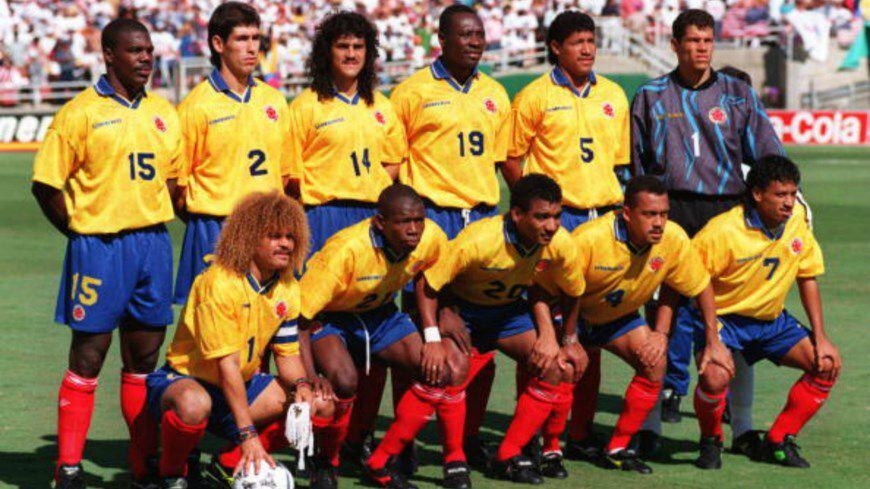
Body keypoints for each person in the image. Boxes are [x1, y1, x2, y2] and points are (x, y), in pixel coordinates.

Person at [31, 18, 182, 489]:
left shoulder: (164, 111)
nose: (145, 59)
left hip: (153, 244)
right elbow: (45, 185)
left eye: (149, 51)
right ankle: (69, 469)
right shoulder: (80, 112)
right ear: (109, 55)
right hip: (99, 247)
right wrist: (80, 234)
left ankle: (143, 468)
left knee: (145, 359)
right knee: (89, 356)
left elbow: (173, 182)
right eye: (135, 51)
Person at [630, 9, 784, 440]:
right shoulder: (650, 95)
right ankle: (653, 422)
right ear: (675, 45)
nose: (701, 48)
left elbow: (769, 157)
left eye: (707, 40)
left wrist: (783, 202)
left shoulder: (737, 93)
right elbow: (636, 166)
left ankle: (741, 422)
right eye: (692, 41)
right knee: (665, 309)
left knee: (730, 312)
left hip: (727, 212)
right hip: (670, 211)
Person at [389, 3, 511, 468]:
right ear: (443, 38)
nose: (475, 41)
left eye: (479, 34)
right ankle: (404, 442)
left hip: (480, 219)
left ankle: (468, 437)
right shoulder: (412, 91)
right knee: (422, 335)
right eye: (465, 34)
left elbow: (501, 163)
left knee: (479, 336)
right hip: (432, 220)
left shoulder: (497, 93)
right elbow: (395, 168)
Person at [147, 191, 332, 488]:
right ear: (248, 237)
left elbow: (287, 355)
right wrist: (249, 435)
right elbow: (226, 366)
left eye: (290, 236)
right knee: (194, 404)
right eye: (274, 236)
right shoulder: (218, 284)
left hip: (241, 385)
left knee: (319, 404)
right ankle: (171, 473)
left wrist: (301, 386)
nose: (285, 243)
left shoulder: (286, 285)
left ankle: (226, 463)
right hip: (186, 380)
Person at [547, 176, 728, 474]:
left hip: (617, 317)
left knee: (654, 361)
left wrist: (702, 338)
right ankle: (550, 449)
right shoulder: (589, 238)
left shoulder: (673, 238)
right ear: (626, 213)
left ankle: (618, 447)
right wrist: (568, 338)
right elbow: (556, 290)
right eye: (649, 214)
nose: (659, 222)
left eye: (664, 214)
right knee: (566, 368)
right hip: (572, 315)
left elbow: (696, 285)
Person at [419, 174, 588, 485]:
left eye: (556, 216)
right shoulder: (479, 239)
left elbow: (573, 291)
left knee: (555, 367)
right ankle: (454, 457)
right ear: (517, 214)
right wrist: (440, 321)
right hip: (466, 313)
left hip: (508, 314)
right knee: (451, 371)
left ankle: (508, 452)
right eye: (541, 217)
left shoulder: (561, 243)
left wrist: (568, 339)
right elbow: (428, 283)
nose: (551, 226)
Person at [298, 184, 468, 489]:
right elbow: (301, 318)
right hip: (331, 319)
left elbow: (438, 275)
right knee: (345, 380)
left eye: (419, 220)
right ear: (380, 223)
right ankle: (327, 461)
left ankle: (380, 461)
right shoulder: (346, 251)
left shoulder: (431, 236)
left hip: (382, 316)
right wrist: (308, 377)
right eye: (404, 222)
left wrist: (442, 317)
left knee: (439, 369)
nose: (414, 229)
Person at [677, 155, 840, 470]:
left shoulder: (797, 220)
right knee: (714, 377)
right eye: (781, 195)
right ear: (757, 194)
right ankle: (711, 440)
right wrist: (712, 337)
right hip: (724, 320)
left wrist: (822, 337)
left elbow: (808, 276)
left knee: (827, 364)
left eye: (793, 194)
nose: (789, 203)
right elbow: (698, 283)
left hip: (770, 322)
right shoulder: (721, 230)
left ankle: (778, 440)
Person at [173, 1, 296, 304]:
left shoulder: (275, 101)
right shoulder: (195, 106)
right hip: (215, 228)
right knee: (214, 335)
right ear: (218, 44)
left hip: (269, 229)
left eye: (256, 39)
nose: (252, 48)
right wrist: (210, 220)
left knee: (267, 330)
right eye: (242, 39)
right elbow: (177, 186)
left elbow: (286, 176)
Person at [288, 11, 406, 255]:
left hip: (372, 214)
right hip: (323, 216)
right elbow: (291, 176)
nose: (351, 54)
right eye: (343, 46)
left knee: (371, 292)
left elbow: (394, 160)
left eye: (358, 47)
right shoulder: (305, 106)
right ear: (327, 51)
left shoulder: (382, 106)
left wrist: (369, 184)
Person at [505, 11, 630, 232]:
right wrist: (534, 207)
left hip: (607, 216)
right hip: (559, 218)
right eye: (578, 42)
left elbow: (620, 164)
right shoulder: (533, 96)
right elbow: (510, 159)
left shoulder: (614, 94)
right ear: (556, 47)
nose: (587, 50)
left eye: (591, 41)